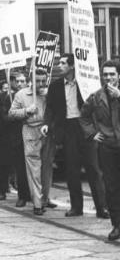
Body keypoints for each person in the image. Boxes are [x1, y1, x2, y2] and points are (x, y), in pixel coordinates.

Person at [44, 53, 108, 218]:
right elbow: (49, 108)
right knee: (71, 169)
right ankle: (76, 207)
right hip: (67, 128)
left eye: (64, 63)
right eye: (59, 63)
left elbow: (98, 105)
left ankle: (102, 207)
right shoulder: (55, 86)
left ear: (72, 66)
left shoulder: (86, 84)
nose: (60, 66)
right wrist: (46, 124)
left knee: (93, 168)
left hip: (85, 127)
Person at [80, 60, 120, 240]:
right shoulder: (96, 96)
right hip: (108, 145)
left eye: (112, 74)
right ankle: (117, 225)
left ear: (118, 75)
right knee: (111, 187)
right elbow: (84, 116)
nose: (109, 78)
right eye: (105, 75)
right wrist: (92, 134)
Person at [9, 69, 54, 216]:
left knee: (46, 168)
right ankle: (37, 203)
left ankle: (44, 199)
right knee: (34, 168)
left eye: (43, 81)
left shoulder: (49, 94)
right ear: (31, 81)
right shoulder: (21, 95)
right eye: (37, 81)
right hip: (30, 130)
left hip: (47, 132)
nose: (41, 84)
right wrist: (26, 111)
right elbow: (12, 113)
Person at [0, 74, 31, 207]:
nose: (19, 84)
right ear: (12, 82)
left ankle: (23, 195)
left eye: (22, 81)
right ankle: (2, 190)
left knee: (21, 167)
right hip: (6, 134)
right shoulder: (3, 96)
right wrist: (5, 111)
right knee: (4, 165)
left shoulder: (28, 95)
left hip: (21, 134)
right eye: (17, 81)